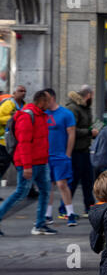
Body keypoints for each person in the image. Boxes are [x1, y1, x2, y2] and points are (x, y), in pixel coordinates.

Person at [0, 90, 56, 236]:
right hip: (28, 163)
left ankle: (40, 225)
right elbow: (24, 144)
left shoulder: (41, 115)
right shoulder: (27, 116)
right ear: (41, 101)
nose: (50, 103)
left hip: (41, 162)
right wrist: (27, 167)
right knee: (20, 193)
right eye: (48, 101)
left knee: (44, 191)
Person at [43, 88, 78, 227]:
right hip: (45, 156)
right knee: (48, 186)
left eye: (45, 98)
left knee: (62, 184)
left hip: (60, 156)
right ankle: (47, 215)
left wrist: (68, 154)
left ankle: (70, 213)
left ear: (52, 98)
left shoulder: (66, 114)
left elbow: (71, 134)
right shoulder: (42, 114)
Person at [65, 85, 98, 218]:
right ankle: (65, 208)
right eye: (92, 96)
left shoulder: (84, 107)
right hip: (75, 149)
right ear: (88, 95)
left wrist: (91, 131)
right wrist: (89, 132)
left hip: (84, 148)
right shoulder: (73, 108)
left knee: (88, 179)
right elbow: (71, 130)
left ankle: (89, 207)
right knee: (73, 180)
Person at [0, 85, 27, 179]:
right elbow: (0, 118)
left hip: (17, 143)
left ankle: (29, 190)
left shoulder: (25, 105)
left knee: (22, 167)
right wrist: (15, 118)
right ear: (14, 93)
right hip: (4, 143)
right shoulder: (8, 104)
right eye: (20, 91)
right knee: (2, 167)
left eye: (24, 91)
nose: (23, 93)